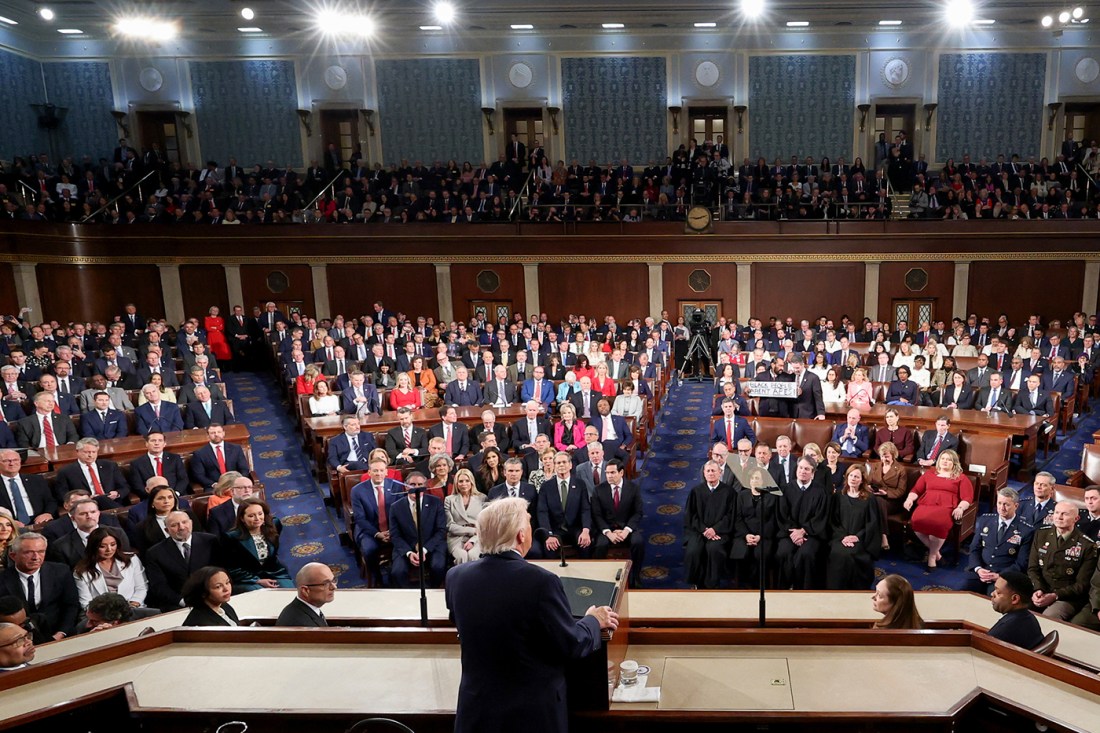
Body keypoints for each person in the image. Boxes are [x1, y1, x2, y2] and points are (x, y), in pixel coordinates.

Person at [445, 496, 618, 733]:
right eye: (528, 522)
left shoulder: (456, 577)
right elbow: (571, 643)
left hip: (476, 712)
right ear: (521, 535)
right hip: (530, 716)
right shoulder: (541, 581)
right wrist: (593, 620)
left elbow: (462, 624)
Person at [1027, 501, 1098, 622]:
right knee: (1017, 608)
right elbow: (1033, 568)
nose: (1059, 517)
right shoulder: (1041, 534)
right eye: (1057, 512)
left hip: (1068, 597)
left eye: (1064, 514)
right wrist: (1038, 589)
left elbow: (1082, 585)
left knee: (1049, 617)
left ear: (1076, 518)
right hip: (1041, 590)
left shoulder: (1087, 545)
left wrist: (1055, 596)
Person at [0, 532, 80, 639]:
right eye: (28, 552)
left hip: (59, 634)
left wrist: (61, 633)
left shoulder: (61, 571)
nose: (36, 557)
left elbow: (71, 605)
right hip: (18, 640)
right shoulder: (2, 579)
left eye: (41, 551)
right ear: (13, 556)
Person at [903, 449, 974, 569]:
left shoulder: (961, 478)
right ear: (939, 460)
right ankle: (937, 553)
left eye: (949, 460)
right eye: (943, 459)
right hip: (926, 505)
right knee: (915, 520)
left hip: (945, 508)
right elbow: (916, 490)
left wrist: (960, 508)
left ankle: (931, 556)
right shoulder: (929, 474)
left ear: (954, 463)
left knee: (939, 524)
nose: (945, 461)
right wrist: (909, 499)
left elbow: (967, 497)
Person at [144, 511, 219, 612]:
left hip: (211, 594)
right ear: (167, 530)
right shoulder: (155, 553)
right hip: (178, 603)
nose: (182, 527)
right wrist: (182, 601)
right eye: (175, 525)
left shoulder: (210, 541)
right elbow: (159, 586)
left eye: (184, 522)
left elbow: (220, 571)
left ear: (191, 523)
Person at [965, 487, 1034, 595]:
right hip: (982, 570)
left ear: (1016, 506)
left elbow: (1021, 562)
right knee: (964, 591)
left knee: (994, 598)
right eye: (999, 503)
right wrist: (978, 569)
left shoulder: (1026, 530)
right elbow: (974, 548)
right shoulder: (985, 520)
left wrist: (999, 576)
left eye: (1006, 504)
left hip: (1005, 576)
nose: (1002, 508)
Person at [776, 456, 829, 589]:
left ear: (813, 472)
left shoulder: (820, 491)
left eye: (807, 469)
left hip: (811, 534)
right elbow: (783, 514)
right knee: (784, 552)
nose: (803, 471)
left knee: (806, 554)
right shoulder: (787, 489)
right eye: (800, 468)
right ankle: (783, 589)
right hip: (790, 533)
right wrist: (794, 533)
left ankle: (803, 591)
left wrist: (804, 530)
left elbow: (820, 516)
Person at [825, 465, 881, 590]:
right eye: (851, 475)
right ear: (846, 477)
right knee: (838, 553)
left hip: (861, 539)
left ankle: (855, 590)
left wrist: (856, 537)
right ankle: (834, 589)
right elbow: (833, 521)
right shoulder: (839, 496)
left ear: (862, 480)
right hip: (839, 537)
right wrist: (843, 537)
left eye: (856, 476)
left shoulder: (869, 499)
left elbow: (872, 524)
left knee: (852, 555)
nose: (853, 479)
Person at [591, 459, 645, 586]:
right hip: (607, 529)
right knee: (599, 546)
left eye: (612, 472)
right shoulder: (598, 490)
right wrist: (608, 532)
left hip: (627, 528)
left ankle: (636, 576)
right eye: (607, 473)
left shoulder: (633, 488)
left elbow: (638, 512)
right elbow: (596, 515)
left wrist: (626, 530)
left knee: (638, 543)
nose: (609, 475)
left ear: (621, 473)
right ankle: (601, 579)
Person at [683, 460, 736, 589]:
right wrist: (704, 529)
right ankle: (697, 583)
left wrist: (715, 530)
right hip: (699, 531)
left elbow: (730, 516)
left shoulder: (729, 492)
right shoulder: (696, 491)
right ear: (704, 473)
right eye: (708, 471)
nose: (711, 473)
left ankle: (713, 584)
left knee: (714, 549)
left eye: (713, 471)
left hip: (720, 533)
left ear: (720, 473)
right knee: (694, 549)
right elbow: (692, 515)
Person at [221, 498, 294, 593]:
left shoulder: (274, 524)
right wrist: (257, 580)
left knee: (288, 592)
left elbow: (274, 553)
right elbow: (231, 568)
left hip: (273, 572)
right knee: (262, 595)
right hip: (247, 578)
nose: (257, 518)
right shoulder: (231, 537)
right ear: (242, 518)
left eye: (260, 514)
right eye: (251, 516)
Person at [73, 526, 148, 610]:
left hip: (133, 609)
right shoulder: (82, 570)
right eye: (102, 546)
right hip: (101, 615)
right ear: (93, 547)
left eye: (113, 544)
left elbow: (141, 588)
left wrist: (132, 606)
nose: (109, 549)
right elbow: (86, 603)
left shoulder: (131, 559)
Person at [537, 451, 593, 558]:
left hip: (576, 528)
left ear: (570, 465)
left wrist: (586, 530)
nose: (561, 465)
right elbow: (542, 512)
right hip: (555, 529)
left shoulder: (580, 484)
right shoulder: (546, 487)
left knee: (585, 545)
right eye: (558, 463)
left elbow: (585, 509)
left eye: (564, 462)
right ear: (554, 466)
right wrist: (548, 534)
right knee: (549, 548)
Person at [986, 572, 1045, 649]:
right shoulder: (1028, 617)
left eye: (998, 592)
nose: (992, 594)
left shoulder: (1005, 629)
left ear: (1015, 599)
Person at [275, 562, 335, 627]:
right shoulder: (301, 624)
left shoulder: (303, 609)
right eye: (325, 584)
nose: (334, 587)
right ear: (305, 590)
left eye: (333, 581)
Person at [445, 468, 485, 565]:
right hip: (456, 537)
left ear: (472, 482)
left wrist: (473, 540)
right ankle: (461, 580)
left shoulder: (482, 498)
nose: (464, 484)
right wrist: (472, 530)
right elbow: (450, 526)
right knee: (461, 556)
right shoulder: (449, 500)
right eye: (461, 481)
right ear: (456, 483)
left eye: (467, 481)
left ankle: (475, 580)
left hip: (477, 537)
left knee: (473, 555)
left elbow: (484, 525)